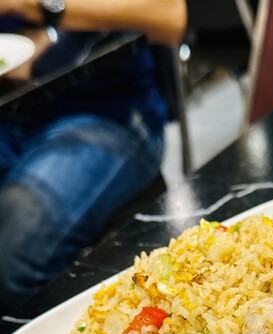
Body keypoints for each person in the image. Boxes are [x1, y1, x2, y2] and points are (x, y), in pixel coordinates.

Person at [0, 0, 187, 314]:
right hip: (12, 114)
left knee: (11, 252)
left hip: (109, 110)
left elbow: (168, 14)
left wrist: (32, 5)